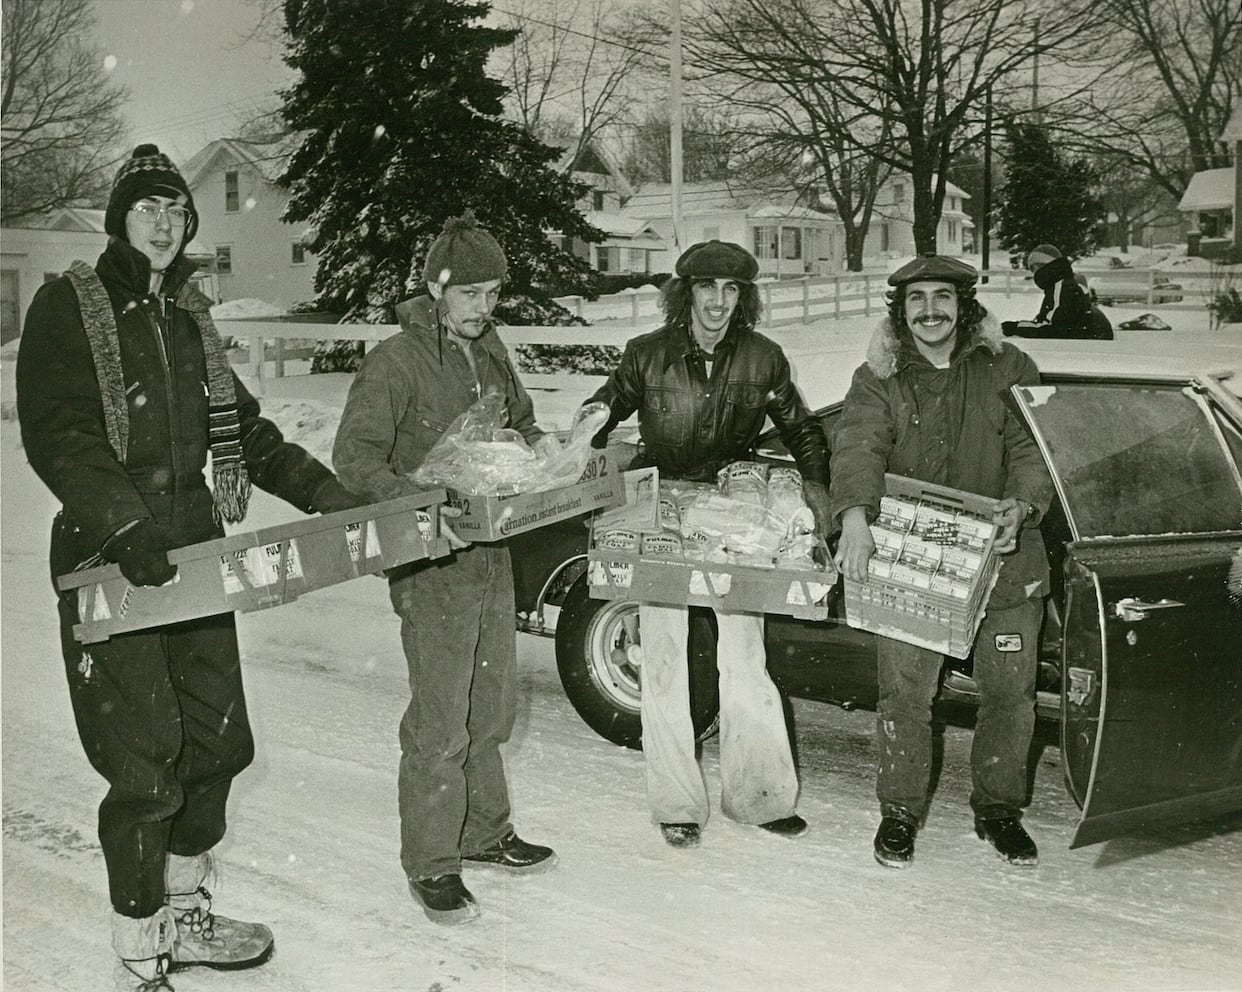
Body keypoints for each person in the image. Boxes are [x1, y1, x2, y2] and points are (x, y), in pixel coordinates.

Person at [15, 144, 363, 992]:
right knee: (143, 761)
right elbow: (58, 430)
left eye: (177, 209)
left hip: (197, 548)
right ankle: (140, 955)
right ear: (120, 220)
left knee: (216, 741)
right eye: (149, 209)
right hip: (113, 554)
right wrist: (125, 522)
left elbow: (244, 432)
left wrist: (324, 492)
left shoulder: (188, 322)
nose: (166, 224)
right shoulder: (72, 305)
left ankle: (184, 913)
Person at [332, 212, 559, 926]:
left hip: (491, 548)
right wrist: (428, 499)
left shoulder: (490, 351)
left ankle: (486, 832)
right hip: (431, 556)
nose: (484, 309)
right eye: (471, 295)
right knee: (440, 718)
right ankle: (432, 860)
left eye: (493, 294)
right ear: (437, 288)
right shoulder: (395, 361)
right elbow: (356, 459)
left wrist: (550, 455)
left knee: (492, 705)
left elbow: (520, 423)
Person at [586, 239, 835, 849]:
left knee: (745, 656)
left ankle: (760, 798)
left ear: (742, 298)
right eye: (706, 288)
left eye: (731, 291)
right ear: (686, 293)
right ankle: (675, 803)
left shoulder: (763, 357)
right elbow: (606, 406)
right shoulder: (646, 354)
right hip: (658, 505)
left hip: (733, 508)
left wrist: (819, 489)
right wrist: (586, 432)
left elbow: (801, 429)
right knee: (665, 658)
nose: (718, 302)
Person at [829, 253, 1055, 870]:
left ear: (965, 304)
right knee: (904, 694)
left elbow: (1032, 447)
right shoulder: (877, 376)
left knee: (1011, 695)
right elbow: (858, 446)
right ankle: (899, 815)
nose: (930, 310)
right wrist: (853, 514)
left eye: (942, 297)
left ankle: (998, 811)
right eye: (916, 299)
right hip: (915, 561)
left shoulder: (1008, 366)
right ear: (900, 311)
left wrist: (1024, 505)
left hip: (1006, 560)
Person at [1002, 243, 1114, 340]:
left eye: (1033, 269)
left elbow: (1050, 328)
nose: (1034, 275)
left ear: (1041, 266)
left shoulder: (1062, 286)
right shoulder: (1067, 283)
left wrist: (1012, 328)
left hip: (1084, 348)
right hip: (1086, 344)